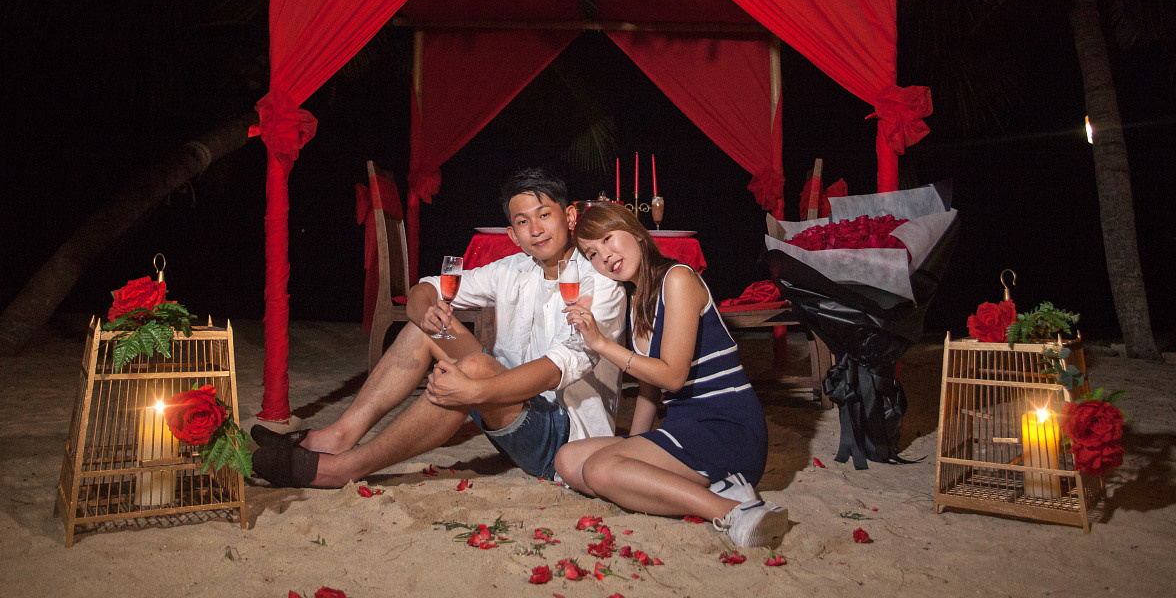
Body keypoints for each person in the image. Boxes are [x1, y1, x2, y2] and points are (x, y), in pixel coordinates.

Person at [251, 167, 627, 488]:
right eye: (522, 221)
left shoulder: (600, 281)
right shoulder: (513, 269)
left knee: (476, 366)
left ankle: (346, 468)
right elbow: (428, 287)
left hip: (562, 437)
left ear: (570, 217)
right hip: (506, 407)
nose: (536, 229)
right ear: (512, 234)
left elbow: (556, 369)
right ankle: (338, 436)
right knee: (428, 326)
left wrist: (475, 387)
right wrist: (421, 311)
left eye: (544, 215)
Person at [556, 202, 788, 550]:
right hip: (685, 428)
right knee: (569, 461)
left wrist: (601, 344)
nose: (604, 256)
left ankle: (735, 510)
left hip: (726, 428)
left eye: (607, 238)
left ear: (634, 232)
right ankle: (719, 486)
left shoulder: (677, 278)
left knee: (599, 470)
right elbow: (649, 386)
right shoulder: (638, 299)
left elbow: (672, 378)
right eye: (591, 253)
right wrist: (634, 445)